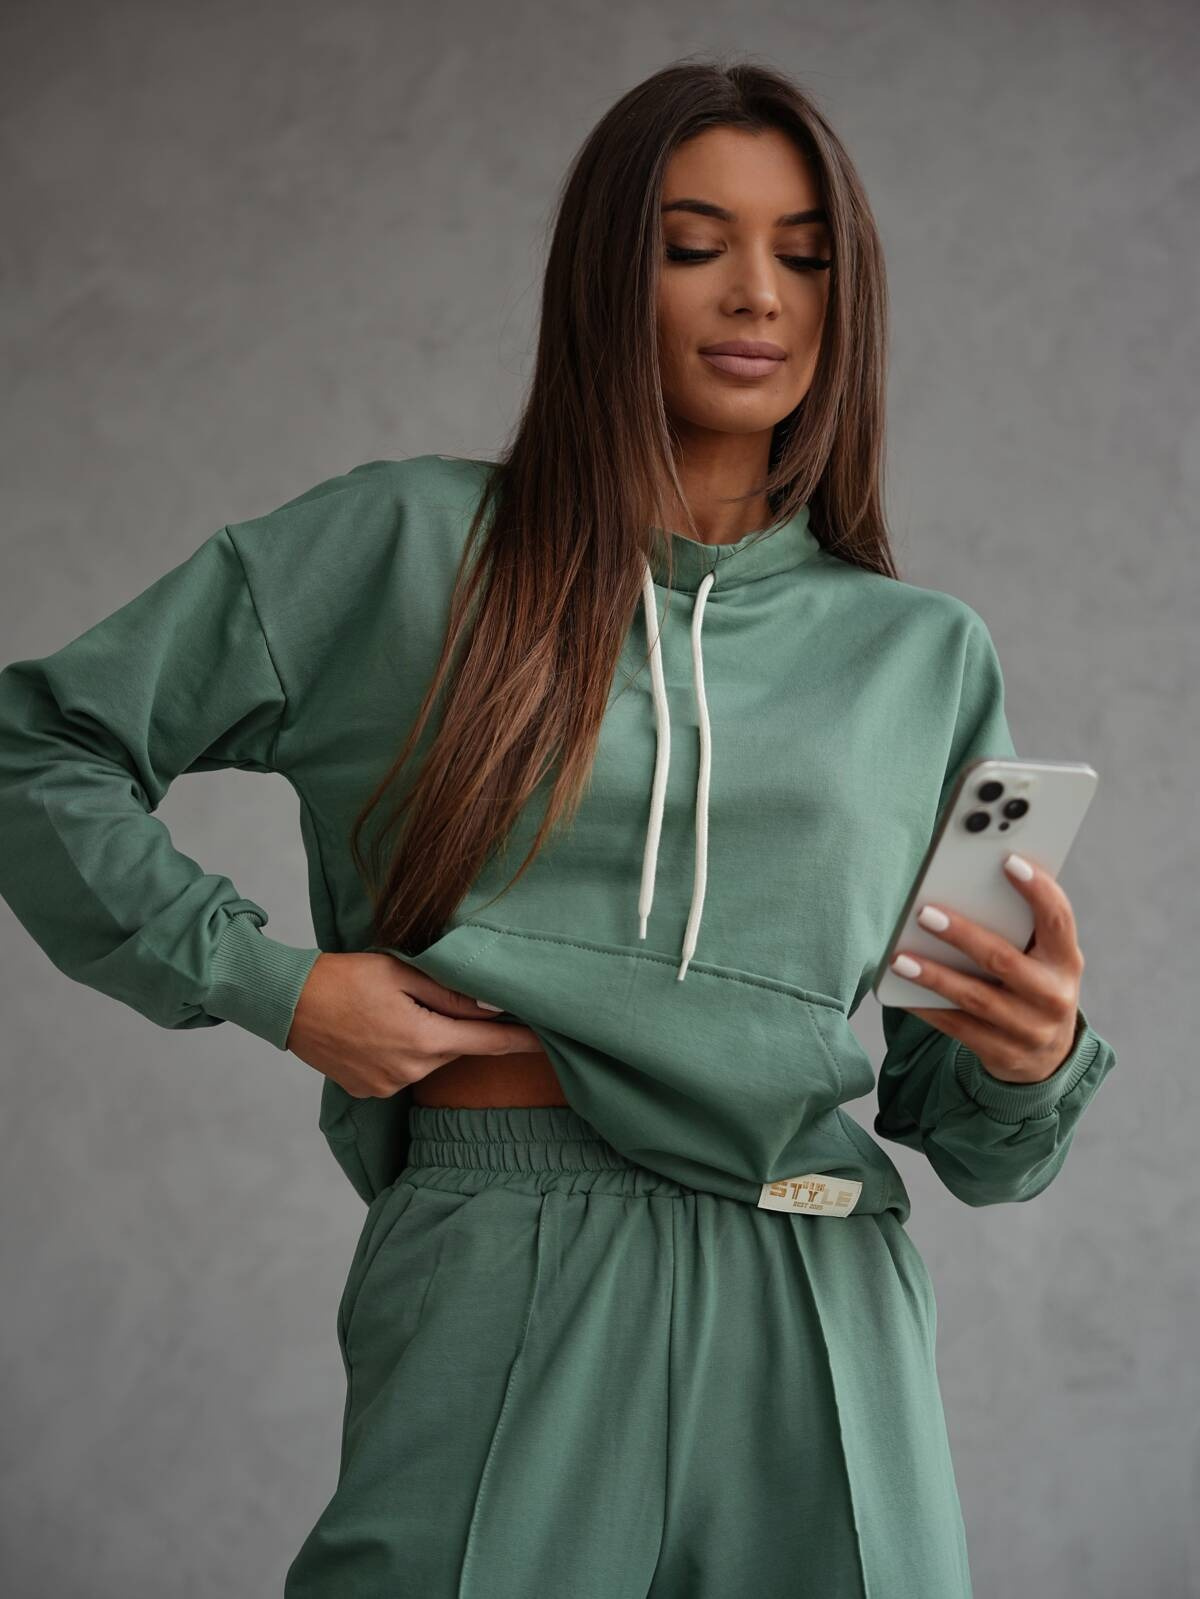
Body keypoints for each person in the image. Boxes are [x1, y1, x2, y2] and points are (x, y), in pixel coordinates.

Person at [0, 58, 1116, 1599]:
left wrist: (1033, 1057)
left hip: (819, 1281)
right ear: (605, 274)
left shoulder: (921, 656)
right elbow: (36, 745)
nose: (758, 294)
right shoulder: (407, 550)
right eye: (693, 244)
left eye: (806, 257)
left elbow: (963, 1128)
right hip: (501, 1255)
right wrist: (275, 986)